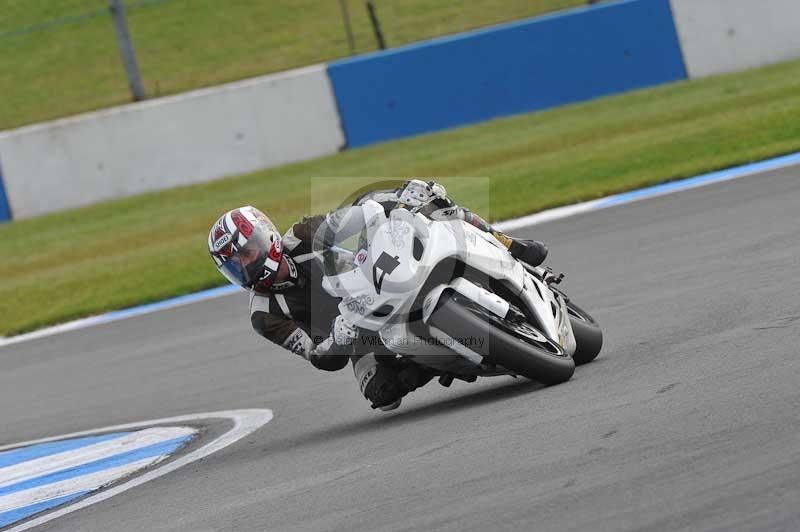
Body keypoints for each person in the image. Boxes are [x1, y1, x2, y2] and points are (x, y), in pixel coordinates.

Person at [207, 179, 548, 411]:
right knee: (382, 395)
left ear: (267, 236)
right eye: (235, 265)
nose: (245, 265)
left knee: (438, 210)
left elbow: (363, 214)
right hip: (358, 335)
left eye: (247, 252)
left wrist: (401, 197)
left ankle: (512, 245)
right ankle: (442, 362)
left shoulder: (302, 234)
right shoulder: (263, 314)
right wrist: (336, 340)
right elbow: (317, 356)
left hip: (379, 280)